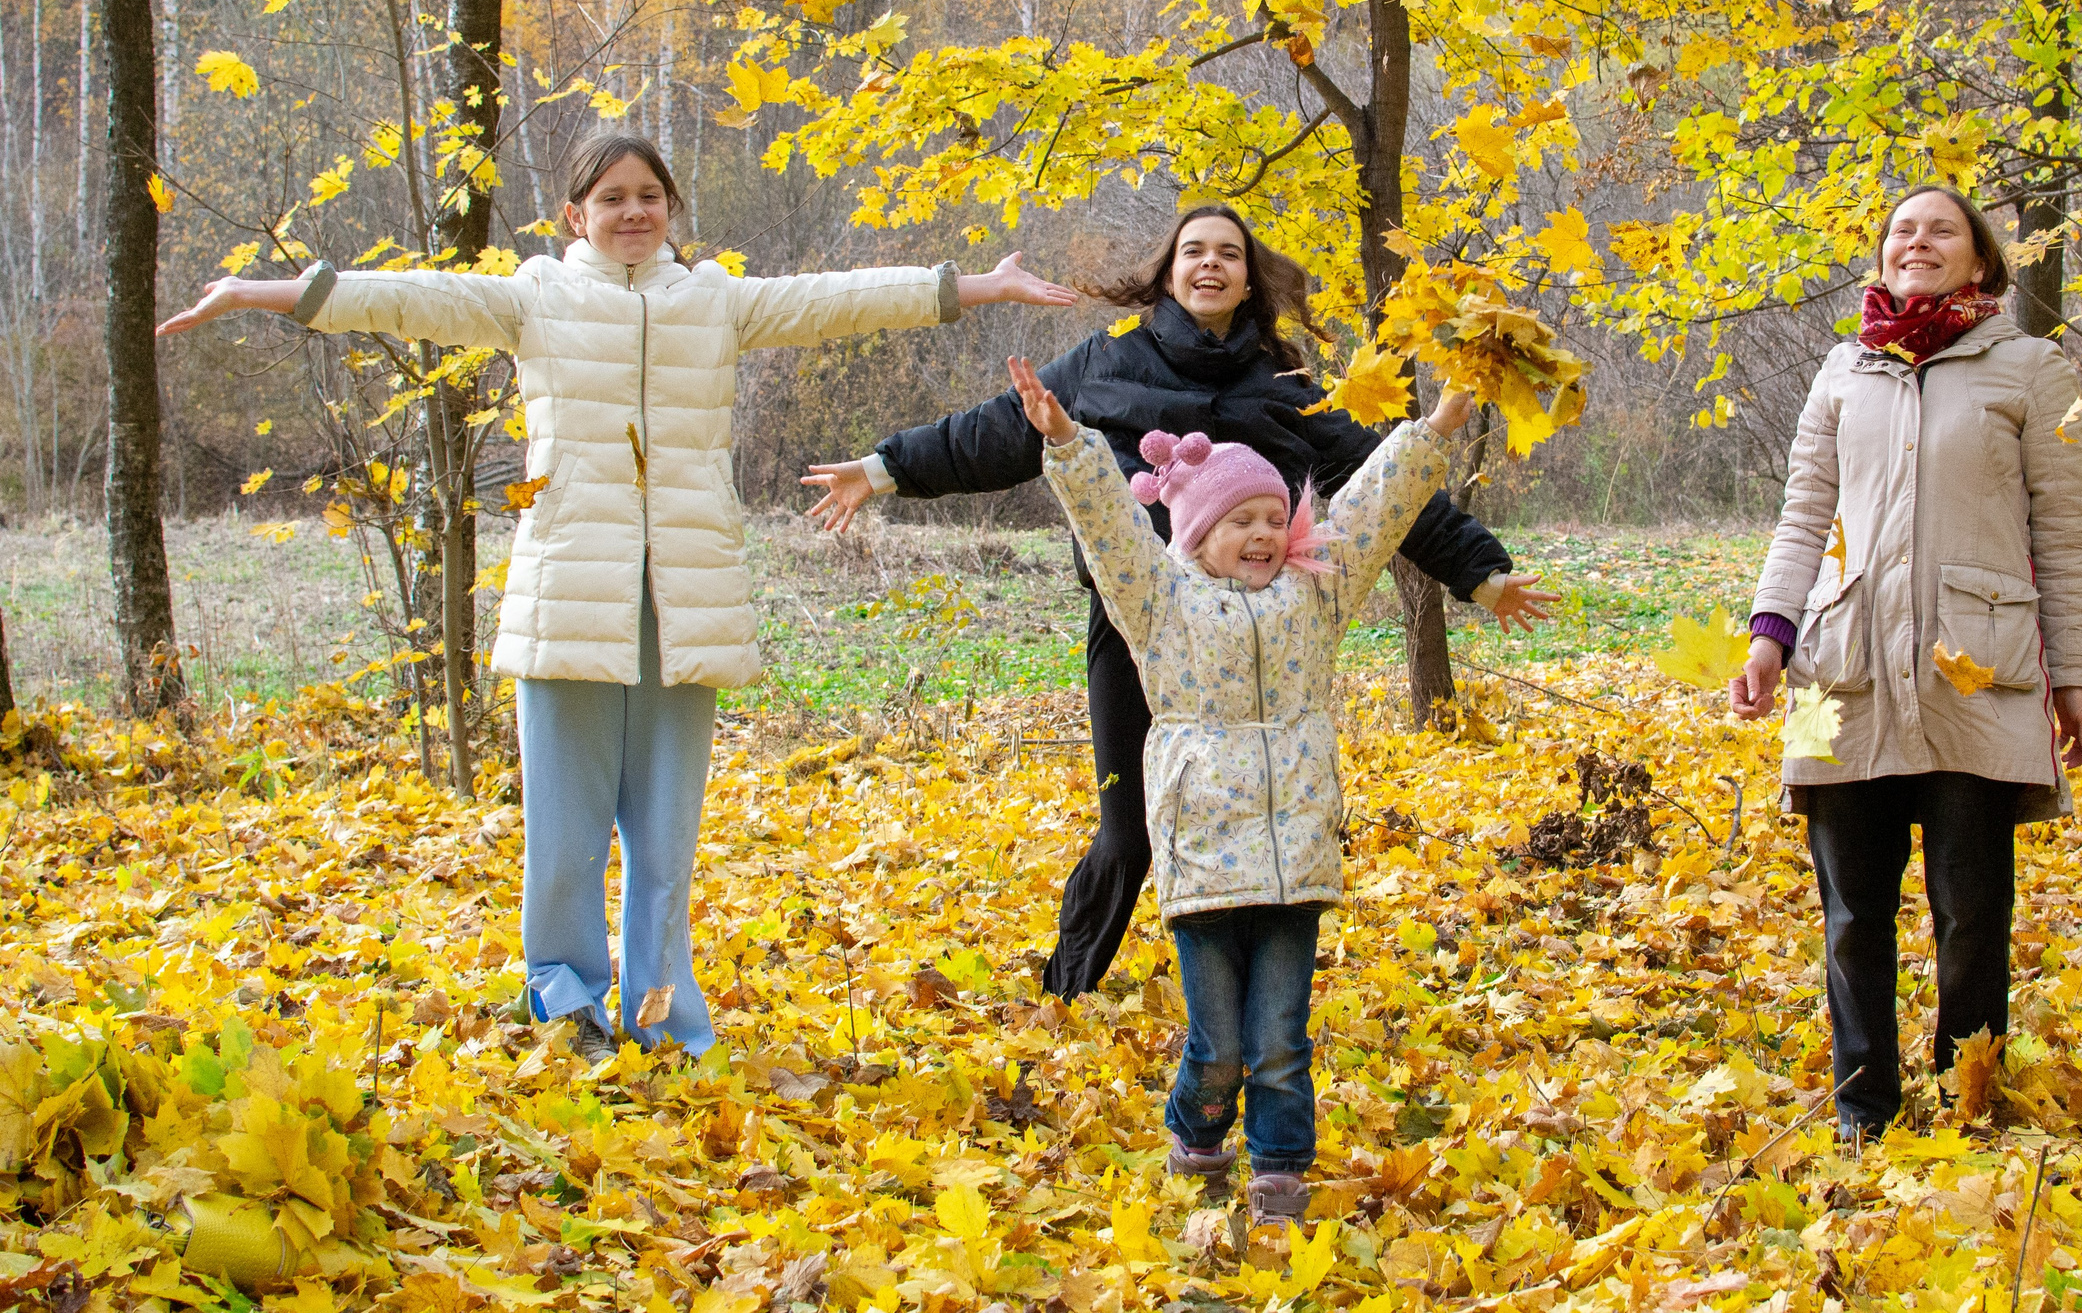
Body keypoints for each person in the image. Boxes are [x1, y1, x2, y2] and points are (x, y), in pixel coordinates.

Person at [156, 132, 1077, 1061]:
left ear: (671, 209)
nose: (634, 212)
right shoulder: (536, 299)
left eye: (649, 195)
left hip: (684, 603)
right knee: (565, 828)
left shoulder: (713, 301)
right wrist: (256, 292)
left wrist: (978, 286)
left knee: (666, 838)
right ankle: (565, 1002)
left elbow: (835, 299)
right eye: (612, 198)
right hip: (570, 597)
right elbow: (403, 296)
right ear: (575, 216)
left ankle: (664, 1017)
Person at [802, 204, 1557, 998]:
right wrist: (882, 469)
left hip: (1255, 642)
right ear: (1167, 270)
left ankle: (1249, 1001)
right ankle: (1067, 992)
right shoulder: (1109, 359)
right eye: (1192, 250)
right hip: (1143, 630)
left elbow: (1381, 487)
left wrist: (1481, 572)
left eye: (1227, 253)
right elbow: (996, 431)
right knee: (1128, 835)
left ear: (1246, 276)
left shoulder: (1287, 380)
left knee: (1262, 819)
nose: (1209, 264)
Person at [1007, 351, 1475, 1224]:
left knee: (1280, 1043)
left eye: (1273, 515)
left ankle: (1281, 1169)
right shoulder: (1159, 605)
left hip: (1295, 855)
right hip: (1206, 859)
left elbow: (1374, 511)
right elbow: (1112, 528)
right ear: (1196, 536)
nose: (1264, 532)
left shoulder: (1314, 599)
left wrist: (1436, 428)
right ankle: (1195, 1126)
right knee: (1219, 1045)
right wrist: (1068, 444)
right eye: (1241, 520)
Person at [1727, 184, 2082, 1142]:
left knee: (1971, 909)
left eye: (1942, 229)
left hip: (1983, 671)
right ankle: (1865, 1107)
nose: (1918, 241)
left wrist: (2077, 681)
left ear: (1981, 261)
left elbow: (2065, 532)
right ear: (1881, 257)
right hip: (1837, 669)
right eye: (1903, 230)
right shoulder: (1842, 371)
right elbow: (1805, 513)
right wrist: (1770, 636)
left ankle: (1968, 1094)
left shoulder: (2031, 369)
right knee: (1851, 910)